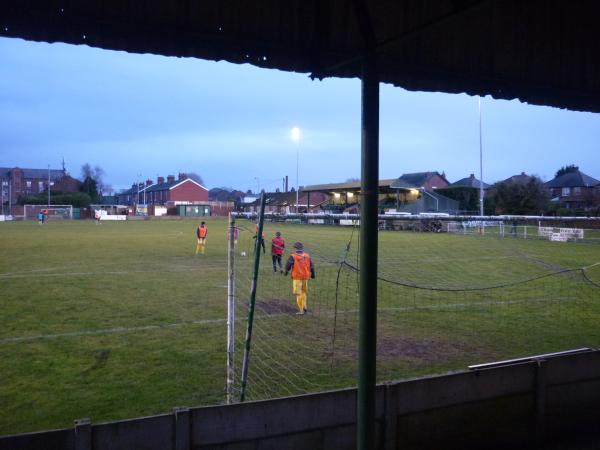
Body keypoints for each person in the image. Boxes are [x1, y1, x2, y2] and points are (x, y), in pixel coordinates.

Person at [284, 242, 315, 315]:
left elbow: (288, 265)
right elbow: (312, 266)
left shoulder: (293, 256)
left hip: (297, 277)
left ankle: (301, 310)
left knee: (298, 293)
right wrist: (313, 274)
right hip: (305, 277)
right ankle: (305, 307)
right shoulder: (307, 255)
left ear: (295, 248)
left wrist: (286, 272)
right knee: (304, 292)